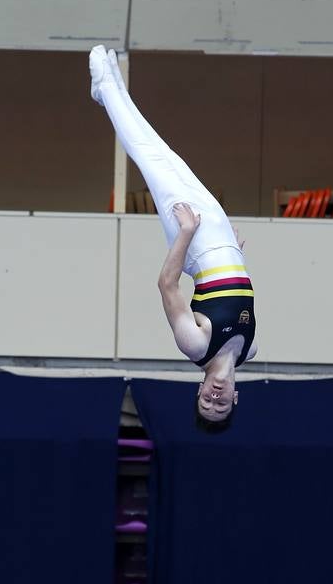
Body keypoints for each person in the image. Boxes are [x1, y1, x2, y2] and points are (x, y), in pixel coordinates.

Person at [89, 44, 257, 430]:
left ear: (199, 390)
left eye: (206, 402)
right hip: (220, 239)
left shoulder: (194, 345)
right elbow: (238, 291)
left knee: (151, 158)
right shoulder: (251, 347)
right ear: (235, 396)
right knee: (165, 154)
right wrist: (236, 255)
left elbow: (166, 284)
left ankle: (105, 83)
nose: (214, 399)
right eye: (221, 405)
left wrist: (185, 232)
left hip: (194, 237)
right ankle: (109, 85)